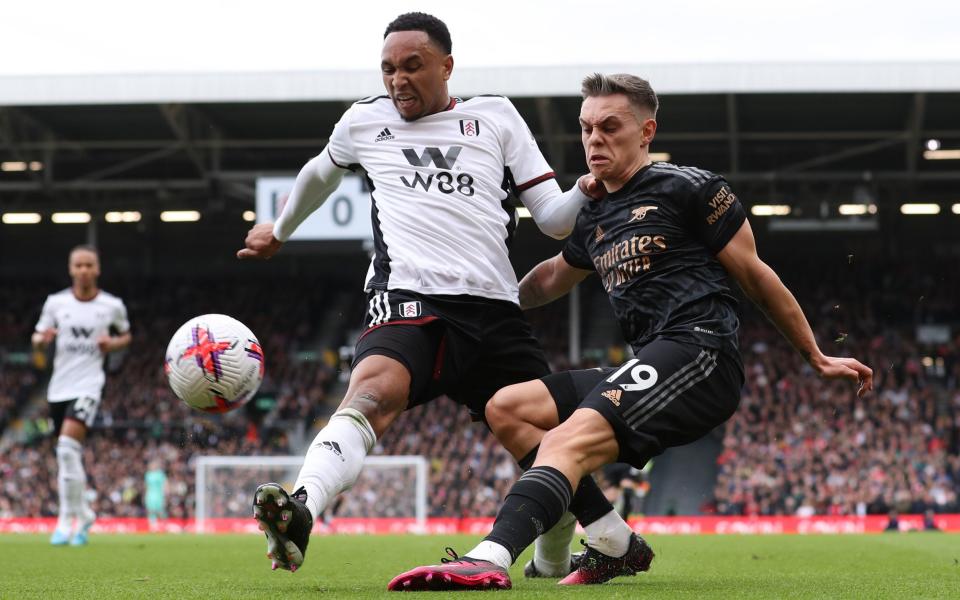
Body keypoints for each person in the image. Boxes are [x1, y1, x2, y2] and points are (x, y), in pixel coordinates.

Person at [387, 72, 874, 591]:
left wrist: (815, 355)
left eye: (610, 127)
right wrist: (487, 296)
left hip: (700, 353)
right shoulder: (596, 211)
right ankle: (613, 540)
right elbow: (554, 275)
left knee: (568, 440)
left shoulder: (690, 187)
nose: (594, 139)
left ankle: (490, 556)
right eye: (586, 128)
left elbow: (756, 274)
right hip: (648, 361)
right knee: (507, 407)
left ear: (647, 131)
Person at [237, 13, 632, 575]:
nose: (398, 80)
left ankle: (564, 554)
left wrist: (585, 190)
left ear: (447, 66)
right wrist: (280, 231)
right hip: (409, 298)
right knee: (372, 394)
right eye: (388, 69)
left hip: (495, 310)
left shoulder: (495, 118)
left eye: (412, 66)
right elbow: (320, 172)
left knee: (544, 440)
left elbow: (552, 219)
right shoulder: (364, 122)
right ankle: (302, 509)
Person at [32, 245, 131, 546]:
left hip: (89, 384)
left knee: (65, 448)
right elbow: (37, 339)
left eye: (89, 265)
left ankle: (65, 519)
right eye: (79, 265)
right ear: (71, 269)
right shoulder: (56, 303)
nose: (84, 270)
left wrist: (112, 344)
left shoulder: (112, 305)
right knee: (67, 455)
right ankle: (85, 514)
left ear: (97, 269)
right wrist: (42, 340)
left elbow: (125, 335)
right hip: (59, 387)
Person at [144, 459, 169, 530]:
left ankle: (164, 524)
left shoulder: (160, 474)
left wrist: (166, 492)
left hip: (159, 494)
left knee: (160, 510)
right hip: (150, 494)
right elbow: (146, 485)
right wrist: (145, 494)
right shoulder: (148, 474)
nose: (152, 466)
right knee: (151, 510)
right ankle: (153, 526)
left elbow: (165, 483)